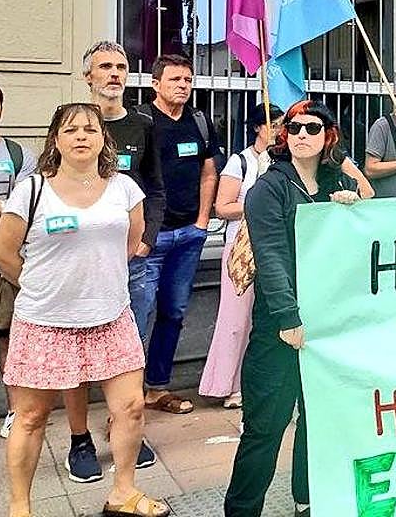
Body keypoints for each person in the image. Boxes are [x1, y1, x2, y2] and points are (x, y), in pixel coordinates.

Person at [0, 103, 170, 517]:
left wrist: (95, 281)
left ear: (103, 139)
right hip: (45, 322)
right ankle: (20, 507)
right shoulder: (31, 190)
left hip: (111, 317)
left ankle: (123, 493)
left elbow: (131, 243)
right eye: (71, 130)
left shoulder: (125, 188)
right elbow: (3, 253)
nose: (81, 136)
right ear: (55, 139)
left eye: (90, 129)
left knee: (131, 407)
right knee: (31, 417)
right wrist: (41, 286)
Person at [224, 101, 362, 517]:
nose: (302, 134)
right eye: (295, 127)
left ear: (328, 136)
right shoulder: (269, 188)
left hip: (327, 321)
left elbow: (362, 236)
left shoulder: (337, 181)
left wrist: (351, 206)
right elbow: (271, 256)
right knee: (264, 428)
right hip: (280, 326)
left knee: (318, 421)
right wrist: (287, 316)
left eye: (312, 128)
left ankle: (308, 499)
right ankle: (242, 510)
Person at [61, 41, 166, 483]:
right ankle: (79, 439)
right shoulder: (71, 124)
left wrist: (146, 240)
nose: (114, 74)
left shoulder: (142, 125)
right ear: (88, 76)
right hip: (81, 266)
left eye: (121, 66)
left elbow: (155, 188)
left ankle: (125, 427)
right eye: (104, 66)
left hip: (131, 264)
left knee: (131, 349)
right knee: (77, 355)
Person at [136, 54, 222, 416]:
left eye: (187, 79)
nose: (183, 86)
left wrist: (202, 222)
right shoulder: (140, 121)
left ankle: (157, 388)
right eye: (175, 79)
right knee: (138, 316)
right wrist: (138, 233)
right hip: (148, 240)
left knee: (173, 312)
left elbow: (209, 173)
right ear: (155, 84)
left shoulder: (199, 122)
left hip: (188, 235)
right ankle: (128, 398)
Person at [199, 103, 280, 410]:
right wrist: (260, 203)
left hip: (274, 245)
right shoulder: (240, 162)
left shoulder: (282, 162)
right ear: (258, 127)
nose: (278, 130)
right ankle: (228, 384)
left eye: (281, 125)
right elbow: (223, 207)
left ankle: (260, 382)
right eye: (273, 124)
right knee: (235, 320)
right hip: (241, 249)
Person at [0, 79, 36, 440]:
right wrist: (0, 208)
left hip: (1, 264)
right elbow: (8, 209)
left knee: (8, 339)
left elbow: (23, 210)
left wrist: (3, 210)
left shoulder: (19, 155)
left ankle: (15, 412)